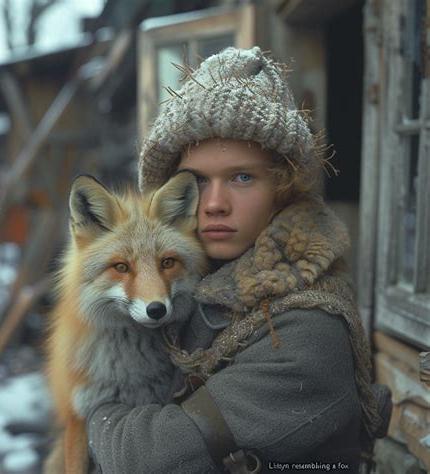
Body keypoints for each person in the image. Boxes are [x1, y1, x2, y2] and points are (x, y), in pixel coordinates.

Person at [84, 46, 387, 473]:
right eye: (196, 182)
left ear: (283, 187)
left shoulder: (307, 329)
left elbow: (149, 457)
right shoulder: (189, 289)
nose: (214, 204)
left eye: (242, 177)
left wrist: (92, 413)